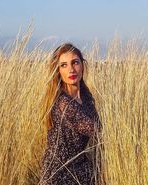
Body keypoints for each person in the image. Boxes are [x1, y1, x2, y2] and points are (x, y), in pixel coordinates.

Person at [40, 43, 102, 185]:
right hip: (59, 174)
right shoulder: (63, 103)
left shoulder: (86, 97)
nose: (71, 70)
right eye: (64, 65)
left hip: (81, 168)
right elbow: (97, 130)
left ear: (82, 65)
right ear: (58, 71)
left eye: (75, 62)